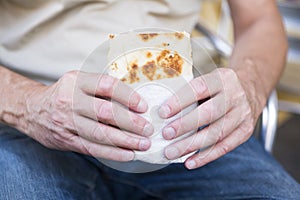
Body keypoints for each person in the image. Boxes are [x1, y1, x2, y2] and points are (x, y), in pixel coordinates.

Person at [0, 0, 299, 199]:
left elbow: (259, 21)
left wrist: (250, 82)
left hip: (183, 120)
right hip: (31, 120)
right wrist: (27, 103)